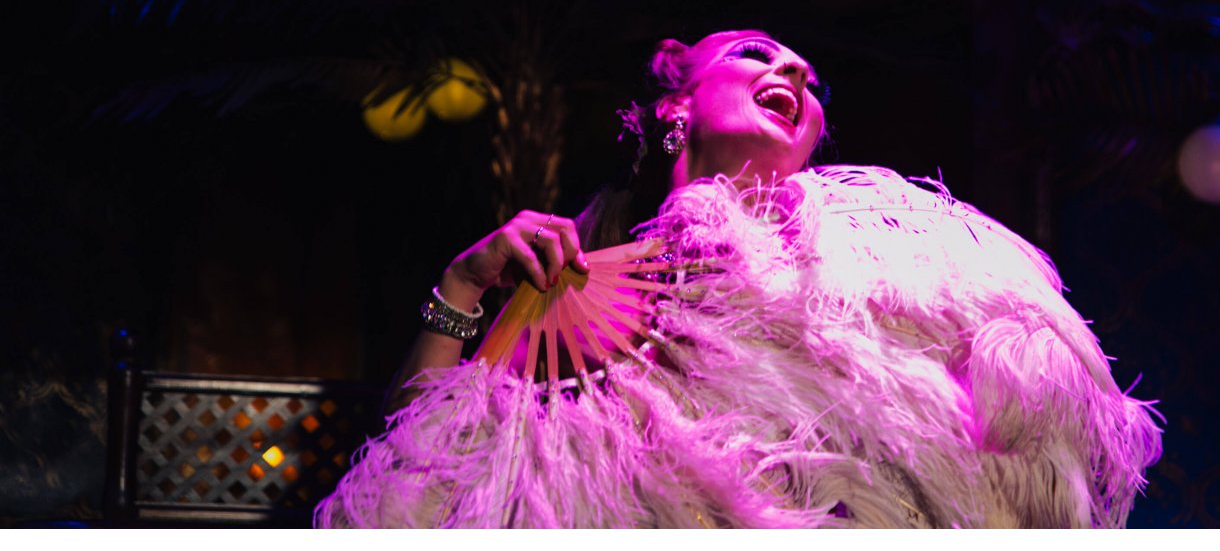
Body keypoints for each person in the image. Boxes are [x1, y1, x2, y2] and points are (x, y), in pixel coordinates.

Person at [317, 30, 1161, 529]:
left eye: (810, 79)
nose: (794, 73)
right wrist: (461, 287)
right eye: (759, 54)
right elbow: (420, 469)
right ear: (674, 104)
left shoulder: (894, 247)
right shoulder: (571, 284)